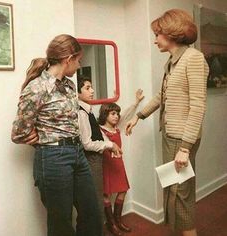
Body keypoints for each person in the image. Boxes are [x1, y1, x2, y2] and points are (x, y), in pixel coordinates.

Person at [125, 9, 209, 236]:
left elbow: (198, 105)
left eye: (158, 34)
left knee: (181, 193)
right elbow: (162, 97)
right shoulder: (172, 62)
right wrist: (138, 116)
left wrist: (185, 147)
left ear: (172, 33)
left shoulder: (194, 59)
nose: (155, 40)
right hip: (170, 135)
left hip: (182, 138)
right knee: (172, 188)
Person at [11, 34, 102, 236]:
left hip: (77, 152)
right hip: (53, 158)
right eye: (78, 61)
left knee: (92, 214)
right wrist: (42, 138)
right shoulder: (36, 87)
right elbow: (18, 132)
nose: (79, 66)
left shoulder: (70, 86)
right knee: (61, 222)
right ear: (68, 59)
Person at [98, 90, 144, 236]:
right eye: (113, 114)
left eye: (117, 114)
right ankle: (111, 224)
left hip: (118, 164)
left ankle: (118, 221)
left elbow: (127, 114)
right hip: (105, 165)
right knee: (105, 194)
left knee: (122, 190)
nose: (117, 116)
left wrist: (136, 102)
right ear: (105, 114)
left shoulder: (118, 127)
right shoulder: (100, 130)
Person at [77, 76, 122, 223]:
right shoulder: (81, 113)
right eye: (87, 88)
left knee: (97, 197)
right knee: (96, 199)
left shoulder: (88, 111)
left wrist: (110, 143)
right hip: (91, 159)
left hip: (97, 158)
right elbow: (87, 143)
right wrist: (109, 145)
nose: (92, 91)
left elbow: (99, 133)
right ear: (78, 92)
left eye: (91, 87)